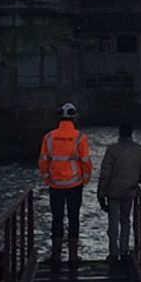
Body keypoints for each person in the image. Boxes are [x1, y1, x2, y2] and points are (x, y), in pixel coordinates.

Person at [38, 102, 93, 266]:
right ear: (74, 117)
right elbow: (86, 161)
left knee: (57, 218)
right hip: (75, 184)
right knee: (73, 218)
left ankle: (56, 255)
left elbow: (43, 161)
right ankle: (73, 255)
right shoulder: (80, 137)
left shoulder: (48, 137)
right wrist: (86, 178)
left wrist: (48, 178)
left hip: (55, 184)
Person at [96, 122, 141, 262]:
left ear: (119, 133)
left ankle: (113, 252)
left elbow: (105, 174)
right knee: (126, 220)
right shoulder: (140, 150)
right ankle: (124, 250)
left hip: (113, 191)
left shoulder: (112, 150)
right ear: (131, 133)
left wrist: (101, 194)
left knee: (113, 222)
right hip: (130, 190)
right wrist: (135, 180)